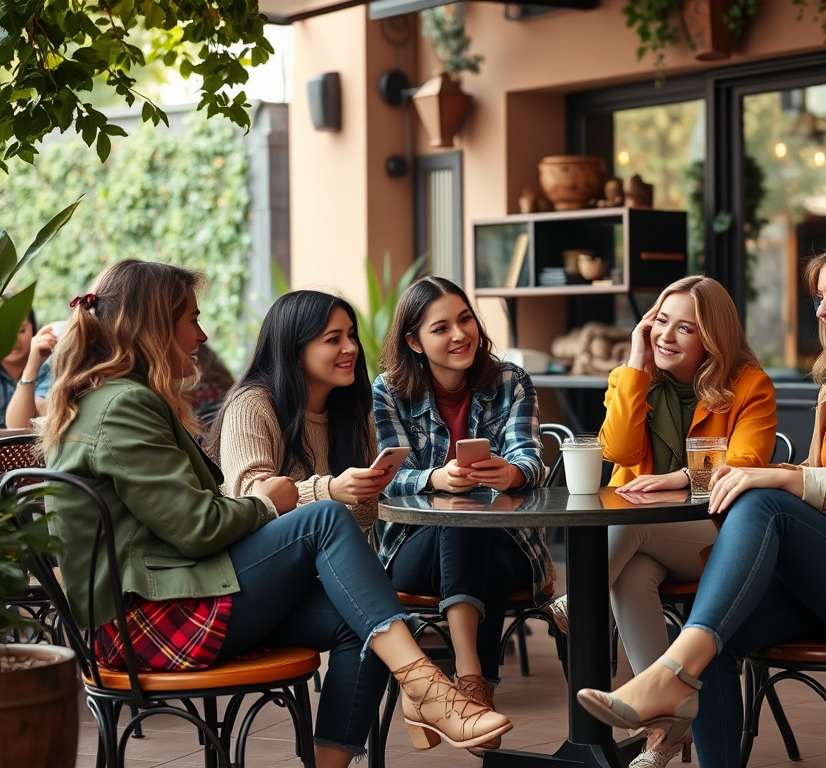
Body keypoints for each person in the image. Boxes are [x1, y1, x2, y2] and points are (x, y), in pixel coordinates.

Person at [41, 261, 512, 768]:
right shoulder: (125, 406)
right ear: (154, 326)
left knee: (369, 626)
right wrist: (271, 502)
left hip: (173, 597)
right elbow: (198, 528)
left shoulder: (121, 399)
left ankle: (385, 721)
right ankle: (429, 689)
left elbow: (186, 520)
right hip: (145, 622)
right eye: (191, 320)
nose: (202, 335)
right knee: (324, 518)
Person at [574, 238, 826, 768]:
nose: (822, 309)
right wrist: (784, 475)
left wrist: (781, 481)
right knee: (711, 638)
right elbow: (824, 473)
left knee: (764, 503)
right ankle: (679, 674)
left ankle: (668, 673)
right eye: (819, 297)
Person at [546, 276, 777, 768]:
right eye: (660, 321)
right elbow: (620, 451)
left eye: (685, 328)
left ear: (713, 338)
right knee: (630, 572)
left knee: (633, 524)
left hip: (720, 544)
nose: (665, 336)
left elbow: (746, 463)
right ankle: (664, 729)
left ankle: (584, 602)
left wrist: (674, 478)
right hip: (639, 549)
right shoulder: (631, 378)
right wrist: (635, 365)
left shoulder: (748, 385)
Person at [373, 275, 555, 748]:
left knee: (475, 528)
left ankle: (465, 695)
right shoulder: (387, 390)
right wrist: (434, 478)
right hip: (413, 552)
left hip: (509, 547)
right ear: (413, 341)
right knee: (460, 512)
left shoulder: (510, 380)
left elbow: (531, 458)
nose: (459, 334)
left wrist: (511, 475)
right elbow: (384, 475)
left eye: (465, 318)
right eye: (441, 328)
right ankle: (475, 681)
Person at [209, 290, 390, 533]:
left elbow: (365, 520)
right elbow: (251, 501)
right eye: (334, 339)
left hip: (336, 556)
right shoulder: (251, 405)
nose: (351, 348)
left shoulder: (352, 411)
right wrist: (331, 490)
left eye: (352, 336)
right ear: (296, 354)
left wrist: (366, 491)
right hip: (265, 558)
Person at [3, 308, 57, 428]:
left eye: (21, 330)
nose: (14, 340)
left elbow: (20, 426)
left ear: (33, 329)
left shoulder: (49, 368)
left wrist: (32, 366)